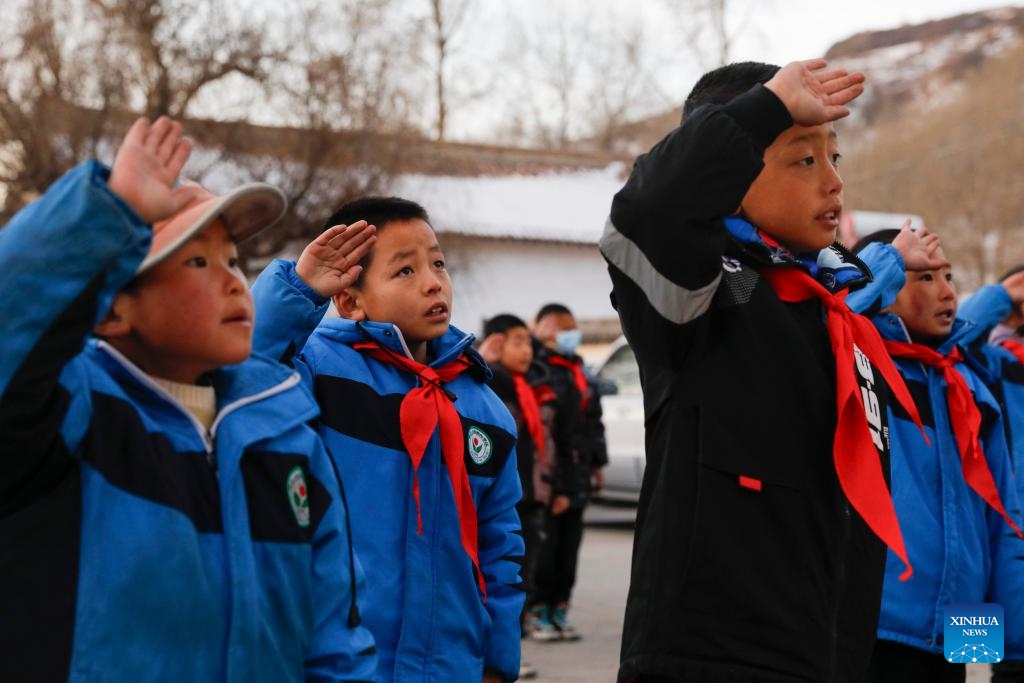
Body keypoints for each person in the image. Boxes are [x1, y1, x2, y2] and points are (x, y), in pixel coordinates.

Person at [598, 58, 945, 682]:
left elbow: (983, 526)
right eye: (805, 159)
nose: (834, 183)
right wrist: (764, 109)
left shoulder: (946, 373)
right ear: (729, 174)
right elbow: (653, 211)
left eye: (836, 159)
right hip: (736, 659)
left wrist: (989, 654)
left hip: (903, 637)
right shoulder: (707, 298)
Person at [0, 117, 377, 681]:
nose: (232, 281)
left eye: (232, 259)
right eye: (197, 261)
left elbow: (334, 643)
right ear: (112, 310)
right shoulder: (72, 417)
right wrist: (110, 209)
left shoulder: (287, 435)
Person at [250, 196, 525, 682]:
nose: (433, 281)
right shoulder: (320, 372)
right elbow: (245, 369)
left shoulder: (486, 410)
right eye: (404, 271)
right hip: (343, 661)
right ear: (351, 299)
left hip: (452, 665)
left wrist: (497, 660)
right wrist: (298, 290)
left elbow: (499, 545)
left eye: (437, 262)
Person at [851, 229, 1024, 682]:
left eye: (948, 277)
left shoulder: (970, 388)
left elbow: (1001, 523)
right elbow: (838, 313)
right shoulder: (860, 370)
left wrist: (1010, 648)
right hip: (876, 628)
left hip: (958, 634)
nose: (948, 292)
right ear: (886, 289)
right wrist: (885, 263)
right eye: (925, 278)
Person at [479, 313, 557, 679]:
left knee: (522, 579)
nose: (526, 350)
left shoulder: (529, 386)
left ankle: (512, 649)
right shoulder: (490, 387)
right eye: (517, 342)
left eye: (528, 342)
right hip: (506, 500)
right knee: (502, 579)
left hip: (530, 498)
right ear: (495, 344)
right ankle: (499, 654)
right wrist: (485, 364)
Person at [956, 266, 1024, 683]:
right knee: (972, 671)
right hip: (986, 560)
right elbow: (954, 341)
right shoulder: (992, 367)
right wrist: (1003, 296)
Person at [526, 303, 607, 642]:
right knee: (547, 549)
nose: (572, 333)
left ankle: (561, 609)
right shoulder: (539, 372)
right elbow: (547, 437)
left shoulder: (579, 371)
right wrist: (556, 487)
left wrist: (597, 465)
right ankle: (539, 611)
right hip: (552, 481)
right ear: (544, 328)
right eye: (564, 326)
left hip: (578, 476)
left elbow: (593, 424)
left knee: (570, 548)